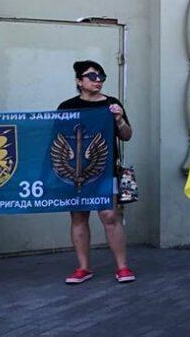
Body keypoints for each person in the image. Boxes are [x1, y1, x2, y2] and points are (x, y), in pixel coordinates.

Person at [57, 60, 135, 285]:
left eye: (101, 76)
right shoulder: (67, 107)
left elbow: (127, 135)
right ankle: (83, 267)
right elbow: (56, 136)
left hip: (105, 170)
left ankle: (122, 266)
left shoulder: (111, 104)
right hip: (74, 173)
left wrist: (119, 119)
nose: (98, 80)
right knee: (79, 216)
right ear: (78, 81)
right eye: (92, 76)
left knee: (110, 215)